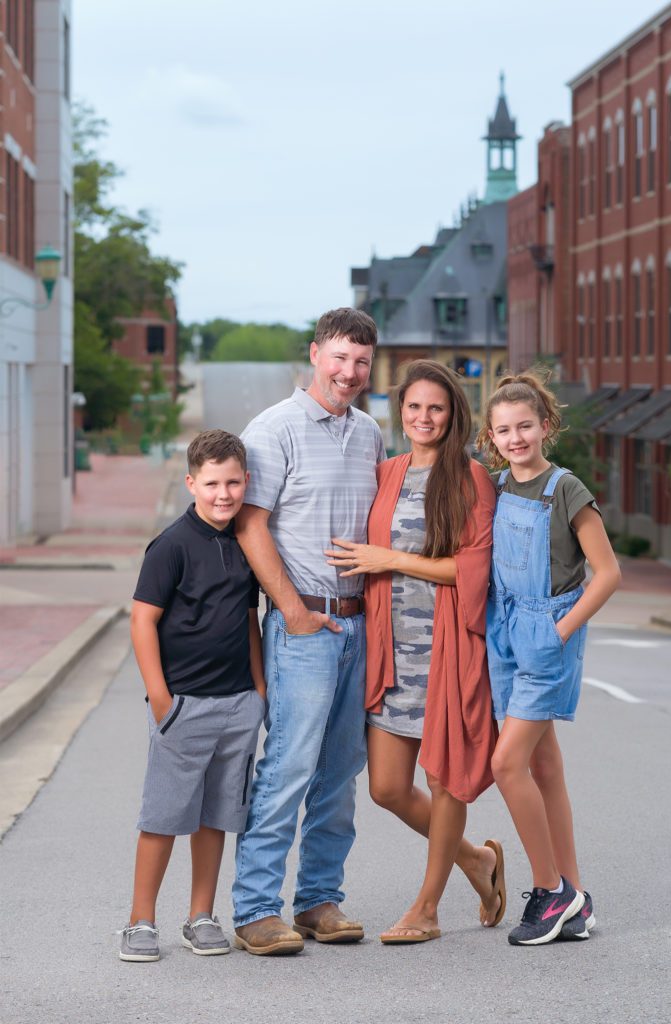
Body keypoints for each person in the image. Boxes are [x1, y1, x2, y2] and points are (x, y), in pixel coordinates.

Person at [327, 360, 502, 945]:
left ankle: (427, 907)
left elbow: (474, 569)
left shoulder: (471, 479)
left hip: (450, 648)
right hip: (392, 650)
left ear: (452, 415)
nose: (423, 417)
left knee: (445, 777)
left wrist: (391, 560)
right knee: (388, 788)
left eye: (436, 408)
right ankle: (477, 860)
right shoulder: (388, 472)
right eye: (414, 407)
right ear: (399, 411)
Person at [231, 307, 385, 956]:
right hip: (305, 626)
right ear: (316, 353)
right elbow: (249, 525)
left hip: (359, 623)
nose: (349, 373)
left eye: (361, 363)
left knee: (340, 772)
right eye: (340, 358)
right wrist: (291, 610)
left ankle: (320, 899)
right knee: (289, 766)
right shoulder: (275, 428)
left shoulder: (372, 432)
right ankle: (256, 909)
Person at [475, 371, 621, 946]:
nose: (516, 438)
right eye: (504, 429)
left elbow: (607, 575)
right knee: (544, 767)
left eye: (525, 426)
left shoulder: (567, 489)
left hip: (546, 634)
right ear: (491, 435)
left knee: (506, 764)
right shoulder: (493, 486)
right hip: (502, 632)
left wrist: (557, 632)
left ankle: (549, 889)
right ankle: (577, 901)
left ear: (546, 426)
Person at [119, 430, 265, 962]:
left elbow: (249, 619)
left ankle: (200, 915)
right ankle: (139, 922)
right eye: (212, 484)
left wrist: (259, 690)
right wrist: (161, 699)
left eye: (232, 482)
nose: (223, 494)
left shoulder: (247, 543)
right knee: (163, 816)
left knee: (216, 816)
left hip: (238, 704)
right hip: (184, 705)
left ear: (245, 481)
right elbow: (142, 620)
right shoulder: (172, 545)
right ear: (191, 483)